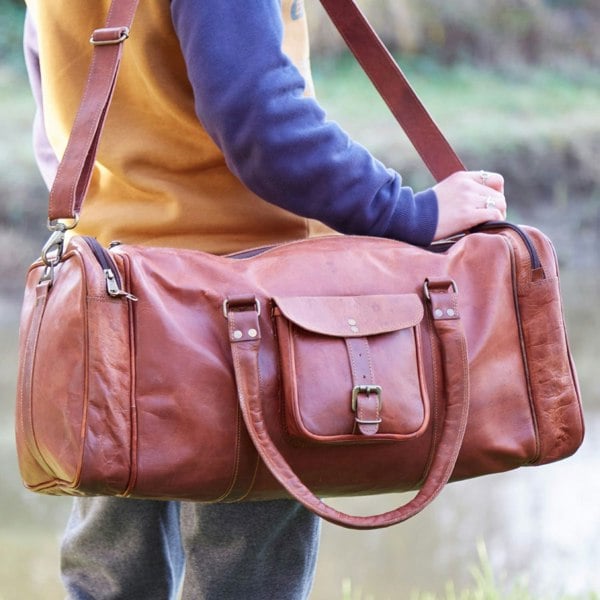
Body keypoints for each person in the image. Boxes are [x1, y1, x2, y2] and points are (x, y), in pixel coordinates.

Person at [22, 0, 506, 598]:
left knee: (109, 575)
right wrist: (409, 210)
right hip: (248, 310)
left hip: (109, 298)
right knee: (244, 579)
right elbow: (261, 122)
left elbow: (56, 111)